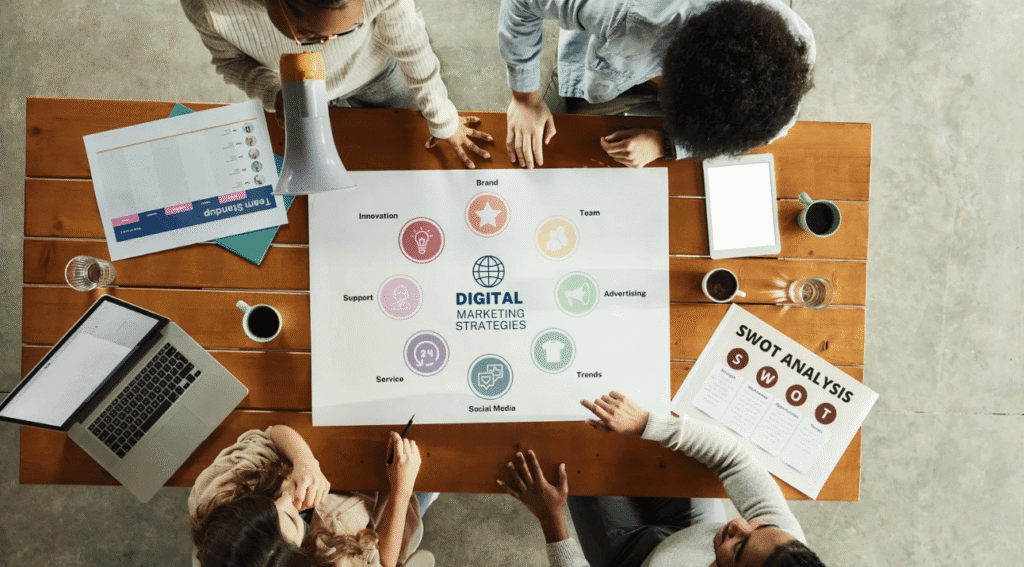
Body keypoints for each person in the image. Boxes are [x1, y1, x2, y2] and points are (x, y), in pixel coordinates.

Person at [497, 391, 826, 567]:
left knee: (570, 451)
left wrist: (550, 518)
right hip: (686, 528)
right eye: (761, 525)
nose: (740, 523)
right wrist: (646, 423)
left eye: (739, 547)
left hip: (626, 558)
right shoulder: (784, 549)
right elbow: (736, 461)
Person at [498, 0, 815, 168]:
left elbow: (774, 127)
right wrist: (524, 97)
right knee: (555, 142)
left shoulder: (788, 46)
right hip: (608, 52)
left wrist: (670, 145)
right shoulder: (614, 8)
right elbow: (522, 3)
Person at [181, 0, 492, 168]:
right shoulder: (207, 6)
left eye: (348, 29)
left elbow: (410, 45)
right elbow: (230, 61)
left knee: (401, 145)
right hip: (297, 95)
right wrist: (273, 91)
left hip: (376, 72)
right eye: (309, 36)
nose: (325, 45)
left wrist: (444, 118)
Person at [189, 424, 436, 567]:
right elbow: (382, 563)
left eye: (271, 505)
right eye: (293, 517)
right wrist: (401, 491)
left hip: (339, 459)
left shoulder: (216, 494)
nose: (288, 499)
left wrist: (305, 461)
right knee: (429, 474)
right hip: (381, 503)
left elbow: (269, 434)